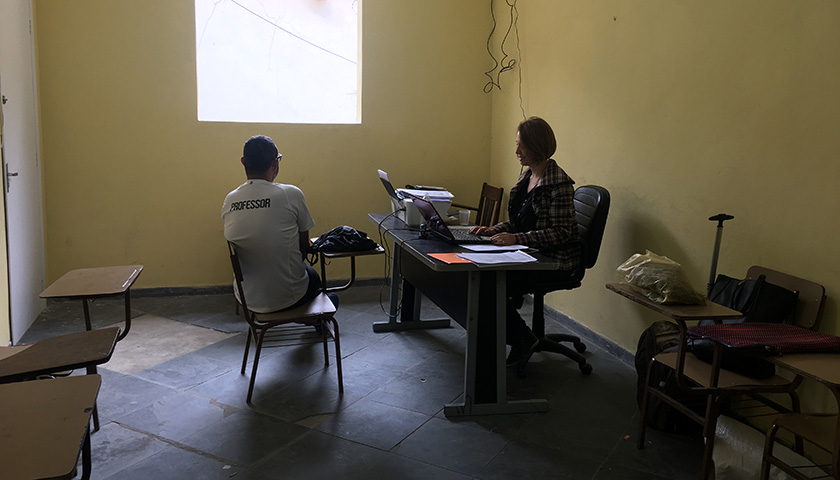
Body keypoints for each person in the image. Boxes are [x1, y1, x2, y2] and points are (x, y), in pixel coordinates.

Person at [469, 117, 582, 366]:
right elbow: (519, 223)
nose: (516, 151)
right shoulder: (527, 178)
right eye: (517, 144)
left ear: (538, 146)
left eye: (522, 145)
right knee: (482, 279)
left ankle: (522, 338)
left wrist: (515, 238)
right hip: (529, 253)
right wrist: (492, 230)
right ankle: (516, 336)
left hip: (555, 261)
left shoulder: (558, 184)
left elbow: (561, 233)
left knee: (491, 285)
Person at [222, 135, 330, 315]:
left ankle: (302, 317)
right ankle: (313, 318)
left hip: (246, 297)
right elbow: (304, 245)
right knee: (313, 275)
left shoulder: (230, 199)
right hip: (289, 295)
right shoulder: (291, 194)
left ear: (243, 162)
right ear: (275, 164)